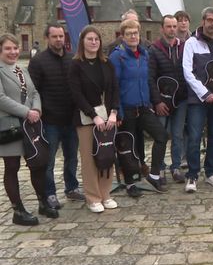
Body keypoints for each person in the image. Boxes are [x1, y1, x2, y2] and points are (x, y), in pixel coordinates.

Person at [0, 33, 58, 225]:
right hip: (10, 127)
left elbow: (33, 92)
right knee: (12, 167)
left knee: (37, 164)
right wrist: (27, 112)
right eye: (8, 48)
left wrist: (36, 109)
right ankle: (18, 211)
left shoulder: (21, 69)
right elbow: (1, 99)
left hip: (29, 126)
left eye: (15, 48)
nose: (13, 52)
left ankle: (42, 202)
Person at [28, 23, 84, 211]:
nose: (59, 40)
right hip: (50, 121)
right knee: (49, 161)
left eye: (61, 36)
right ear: (47, 38)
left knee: (72, 157)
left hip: (71, 118)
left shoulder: (72, 59)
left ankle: (72, 188)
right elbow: (32, 91)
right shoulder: (38, 62)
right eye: (55, 36)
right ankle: (50, 193)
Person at [110, 19, 168, 197]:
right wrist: (116, 110)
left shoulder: (144, 54)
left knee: (162, 136)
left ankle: (153, 174)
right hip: (125, 109)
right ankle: (130, 183)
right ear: (123, 36)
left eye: (135, 33)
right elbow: (114, 86)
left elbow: (147, 81)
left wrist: (152, 102)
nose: (133, 36)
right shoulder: (117, 56)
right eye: (129, 34)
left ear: (139, 34)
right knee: (128, 148)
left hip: (143, 107)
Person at [69, 26, 120, 212]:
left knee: (106, 154)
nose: (93, 42)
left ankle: (106, 194)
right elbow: (77, 94)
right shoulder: (75, 65)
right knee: (89, 159)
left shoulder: (107, 64)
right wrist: (94, 116)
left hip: (107, 118)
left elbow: (114, 89)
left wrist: (114, 112)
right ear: (82, 41)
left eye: (96, 39)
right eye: (90, 39)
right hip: (86, 118)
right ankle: (93, 197)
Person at [182, 7, 213, 192]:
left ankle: (211, 173)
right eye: (209, 20)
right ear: (203, 21)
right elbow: (188, 72)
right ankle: (192, 175)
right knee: (194, 137)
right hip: (198, 100)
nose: (212, 24)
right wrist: (205, 94)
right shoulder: (191, 43)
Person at [148, 15, 188, 184]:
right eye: (169, 26)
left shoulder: (185, 47)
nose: (172, 29)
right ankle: (161, 168)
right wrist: (157, 101)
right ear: (162, 28)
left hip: (180, 100)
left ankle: (176, 167)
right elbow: (150, 78)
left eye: (174, 26)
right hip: (162, 101)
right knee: (162, 135)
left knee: (178, 135)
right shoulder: (154, 49)